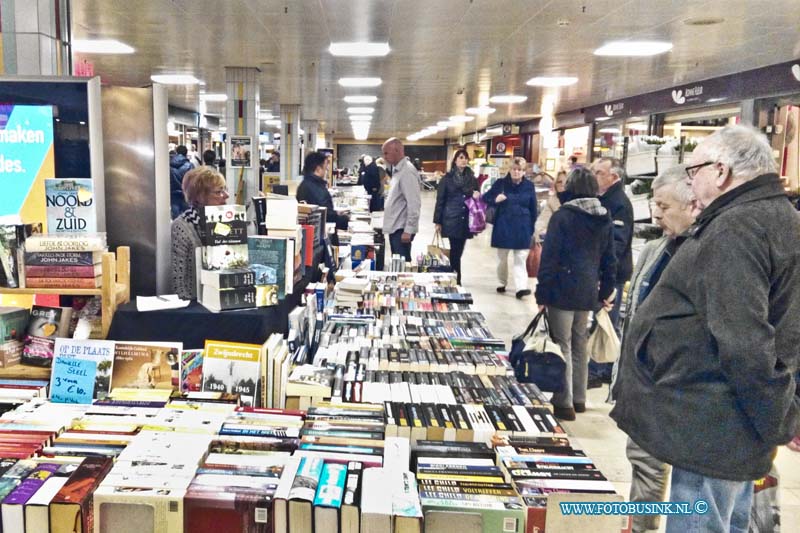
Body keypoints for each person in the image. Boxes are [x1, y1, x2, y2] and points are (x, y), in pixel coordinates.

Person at [610, 125, 800, 533]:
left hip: (712, 417)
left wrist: (779, 417)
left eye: (693, 170)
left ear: (721, 171)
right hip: (723, 418)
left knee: (702, 519)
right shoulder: (769, 216)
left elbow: (745, 339)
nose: (690, 183)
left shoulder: (738, 226)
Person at [608, 165, 694, 533]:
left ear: (694, 205)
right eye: (654, 204)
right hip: (643, 382)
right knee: (642, 461)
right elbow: (633, 316)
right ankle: (638, 526)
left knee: (693, 487)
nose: (655, 213)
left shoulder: (707, 255)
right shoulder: (656, 249)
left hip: (680, 387)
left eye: (663, 205)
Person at [534, 167, 616, 421]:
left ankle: (564, 402)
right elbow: (609, 259)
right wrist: (605, 291)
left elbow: (550, 259)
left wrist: (542, 294)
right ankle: (580, 398)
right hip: (587, 289)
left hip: (561, 289)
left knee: (563, 344)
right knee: (580, 342)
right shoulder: (604, 217)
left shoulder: (563, 217)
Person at [588, 156, 634, 386]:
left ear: (613, 176)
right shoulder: (605, 198)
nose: (594, 176)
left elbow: (617, 242)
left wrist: (604, 273)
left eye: (598, 172)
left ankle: (598, 369)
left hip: (612, 273)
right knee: (605, 319)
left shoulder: (618, 203)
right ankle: (604, 366)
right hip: (607, 271)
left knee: (604, 319)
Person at [482, 156, 538, 298]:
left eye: (520, 170)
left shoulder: (529, 186)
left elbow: (533, 208)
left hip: (523, 227)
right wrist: (495, 200)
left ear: (524, 171)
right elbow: (485, 198)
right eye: (514, 169)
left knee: (520, 259)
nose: (516, 172)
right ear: (509, 169)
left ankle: (521, 287)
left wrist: (533, 228)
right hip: (504, 226)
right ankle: (502, 282)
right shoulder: (500, 184)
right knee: (502, 258)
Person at [171, 167, 230, 299]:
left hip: (226, 299)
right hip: (196, 306)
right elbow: (178, 283)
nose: (226, 196)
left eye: (225, 190)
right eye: (219, 192)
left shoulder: (226, 222)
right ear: (200, 197)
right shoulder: (182, 227)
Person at [433, 149, 480, 285]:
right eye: (460, 157)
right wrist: (437, 221)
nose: (463, 160)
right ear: (455, 160)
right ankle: (456, 279)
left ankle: (453, 276)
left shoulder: (472, 178)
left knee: (458, 250)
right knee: (455, 250)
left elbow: (477, 197)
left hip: (466, 219)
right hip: (451, 218)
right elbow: (440, 200)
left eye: (465, 158)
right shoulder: (447, 179)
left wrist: (476, 196)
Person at [381, 137, 421, 262]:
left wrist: (408, 230)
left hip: (401, 230)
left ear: (397, 150)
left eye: (386, 152)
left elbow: (414, 203)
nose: (384, 156)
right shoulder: (398, 170)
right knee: (397, 263)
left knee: (402, 266)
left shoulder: (407, 172)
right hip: (396, 227)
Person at [297, 151, 350, 230]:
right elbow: (326, 215)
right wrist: (345, 219)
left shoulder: (305, 184)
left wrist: (336, 213)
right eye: (325, 169)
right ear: (318, 169)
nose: (326, 172)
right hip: (321, 231)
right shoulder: (315, 187)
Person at [534, 170, 567, 244]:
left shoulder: (576, 201)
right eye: (559, 182)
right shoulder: (552, 201)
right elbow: (541, 222)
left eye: (566, 182)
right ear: (555, 185)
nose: (562, 185)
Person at [170, 145, 194, 219]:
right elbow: (193, 181)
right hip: (186, 194)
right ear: (186, 153)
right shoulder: (190, 165)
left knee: (175, 218)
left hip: (173, 194)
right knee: (188, 218)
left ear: (176, 153)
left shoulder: (169, 165)